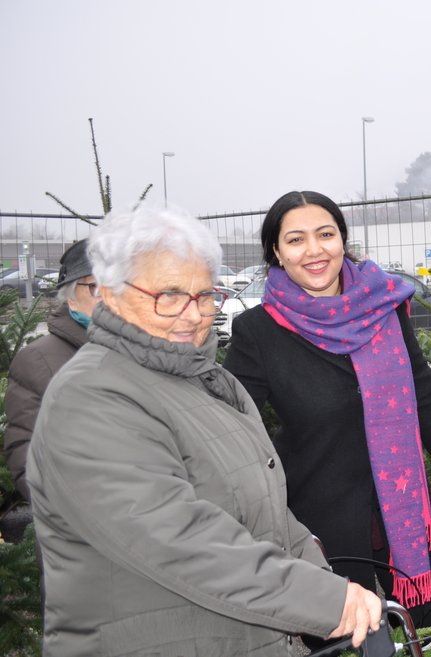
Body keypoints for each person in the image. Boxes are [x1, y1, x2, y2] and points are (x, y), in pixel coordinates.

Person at [26, 205, 382, 656]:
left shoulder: (209, 382)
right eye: (169, 295)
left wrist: (331, 584)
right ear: (110, 295)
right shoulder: (92, 396)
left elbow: (269, 512)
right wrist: (324, 601)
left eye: (204, 296)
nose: (193, 315)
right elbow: (178, 539)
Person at [223, 190, 431, 642]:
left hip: (397, 498)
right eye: (296, 240)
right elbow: (233, 421)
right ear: (276, 252)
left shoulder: (384, 302)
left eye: (325, 234)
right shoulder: (258, 330)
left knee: (416, 625)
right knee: (339, 634)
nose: (314, 250)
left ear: (342, 240)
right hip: (323, 504)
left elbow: (419, 382)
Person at [5, 239, 98, 502]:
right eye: (97, 287)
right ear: (71, 298)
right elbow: (30, 464)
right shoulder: (38, 361)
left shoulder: (146, 352)